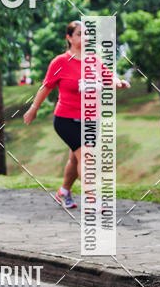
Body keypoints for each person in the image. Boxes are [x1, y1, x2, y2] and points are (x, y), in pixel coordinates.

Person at [23, 20, 129, 208]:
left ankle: (64, 191)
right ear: (69, 37)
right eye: (80, 33)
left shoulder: (94, 60)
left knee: (75, 158)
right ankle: (92, 200)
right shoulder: (60, 61)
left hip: (90, 119)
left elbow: (108, 77)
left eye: (88, 33)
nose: (86, 37)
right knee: (86, 156)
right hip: (66, 119)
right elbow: (46, 87)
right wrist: (33, 109)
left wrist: (119, 82)